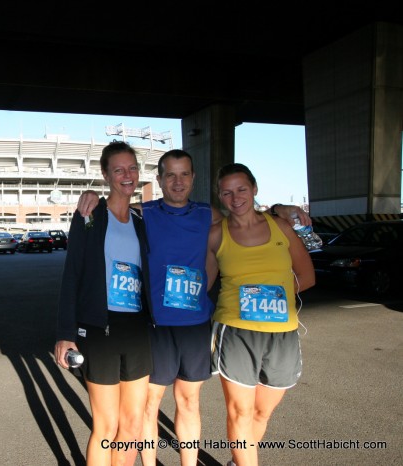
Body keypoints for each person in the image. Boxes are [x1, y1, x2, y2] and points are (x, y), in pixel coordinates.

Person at [76, 150, 308, 465]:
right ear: (159, 180)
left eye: (184, 174)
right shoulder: (144, 212)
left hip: (196, 326)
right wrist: (93, 196)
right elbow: (114, 204)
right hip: (155, 325)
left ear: (193, 178)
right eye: (170, 175)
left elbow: (244, 212)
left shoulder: (208, 215)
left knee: (189, 402)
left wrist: (282, 208)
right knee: (148, 406)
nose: (177, 181)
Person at [206, 163, 315, 466]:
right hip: (235, 332)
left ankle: (238, 459)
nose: (235, 197)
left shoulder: (280, 225)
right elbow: (203, 282)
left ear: (254, 189)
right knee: (240, 412)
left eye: (241, 189)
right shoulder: (216, 235)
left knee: (261, 412)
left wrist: (271, 298)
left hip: (281, 333)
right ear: (220, 196)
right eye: (227, 192)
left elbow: (306, 276)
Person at [55, 140, 154, 466]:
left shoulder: (141, 221)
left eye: (132, 168)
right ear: (106, 175)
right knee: (106, 426)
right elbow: (72, 274)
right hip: (99, 330)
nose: (127, 175)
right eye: (119, 169)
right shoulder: (90, 214)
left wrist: (284, 211)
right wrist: (65, 331)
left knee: (133, 426)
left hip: (136, 330)